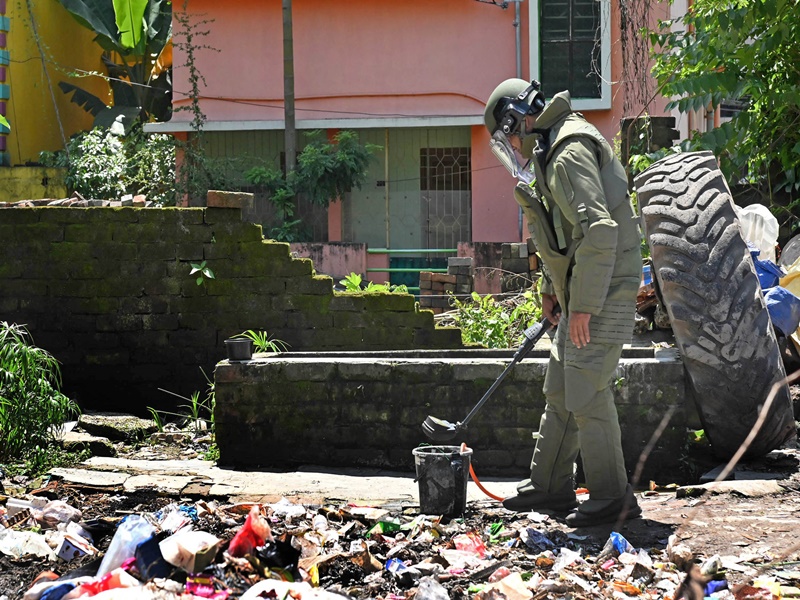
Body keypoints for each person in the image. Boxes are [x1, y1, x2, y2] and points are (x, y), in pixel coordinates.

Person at [483, 79, 643, 527]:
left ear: (520, 119)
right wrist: (551, 292)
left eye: (509, 134)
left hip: (605, 286)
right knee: (561, 388)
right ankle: (550, 489)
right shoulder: (553, 148)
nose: (511, 145)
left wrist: (585, 307)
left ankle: (613, 499)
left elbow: (600, 231)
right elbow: (561, 232)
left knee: (587, 390)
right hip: (586, 284)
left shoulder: (568, 152)